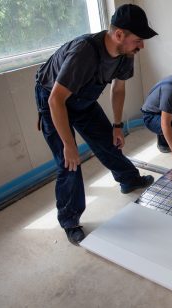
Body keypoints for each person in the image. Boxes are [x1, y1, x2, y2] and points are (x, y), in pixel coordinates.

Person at [34, 4, 157, 245]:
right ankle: (69, 220)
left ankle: (128, 179)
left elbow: (118, 89)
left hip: (83, 99)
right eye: (138, 39)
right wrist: (69, 145)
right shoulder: (85, 53)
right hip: (54, 99)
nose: (141, 45)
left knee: (108, 141)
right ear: (119, 34)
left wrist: (118, 125)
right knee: (68, 162)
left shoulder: (126, 55)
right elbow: (56, 99)